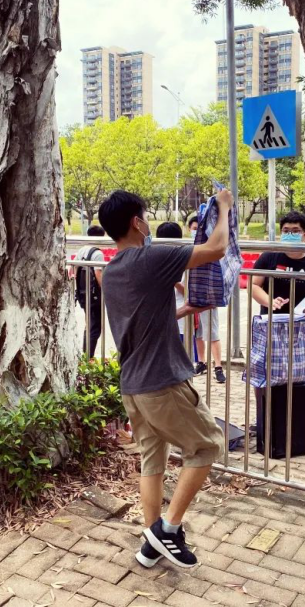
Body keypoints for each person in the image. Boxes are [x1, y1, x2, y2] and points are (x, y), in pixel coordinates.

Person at [99, 188, 232, 569]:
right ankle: (168, 530)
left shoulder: (112, 271)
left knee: (152, 460)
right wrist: (224, 208)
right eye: (145, 218)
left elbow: (142, 317)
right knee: (207, 446)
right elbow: (216, 248)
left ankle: (150, 546)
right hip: (162, 382)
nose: (148, 224)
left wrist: (185, 309)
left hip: (133, 385)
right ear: (137, 223)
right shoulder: (149, 258)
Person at [250, 211, 305, 316]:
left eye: (295, 231)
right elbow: (253, 285)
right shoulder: (268, 256)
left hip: (300, 320)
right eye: (286, 231)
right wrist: (269, 301)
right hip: (270, 319)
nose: (290, 235)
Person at [188, 216, 226, 383]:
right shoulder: (189, 248)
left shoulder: (211, 249)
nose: (197, 232)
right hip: (192, 299)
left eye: (200, 229)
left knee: (212, 333)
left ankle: (218, 367)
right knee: (198, 332)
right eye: (194, 229)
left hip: (208, 298)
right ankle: (201, 362)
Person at [74, 225, 106, 357]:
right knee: (95, 327)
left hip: (83, 294)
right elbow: (98, 274)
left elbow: (74, 270)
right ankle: (88, 357)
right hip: (94, 296)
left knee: (89, 325)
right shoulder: (97, 254)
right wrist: (105, 290)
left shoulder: (82, 250)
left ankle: (86, 356)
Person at [156, 221, 187, 343]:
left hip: (180, 321)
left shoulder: (185, 260)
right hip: (160, 319)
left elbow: (189, 293)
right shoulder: (155, 259)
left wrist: (172, 280)